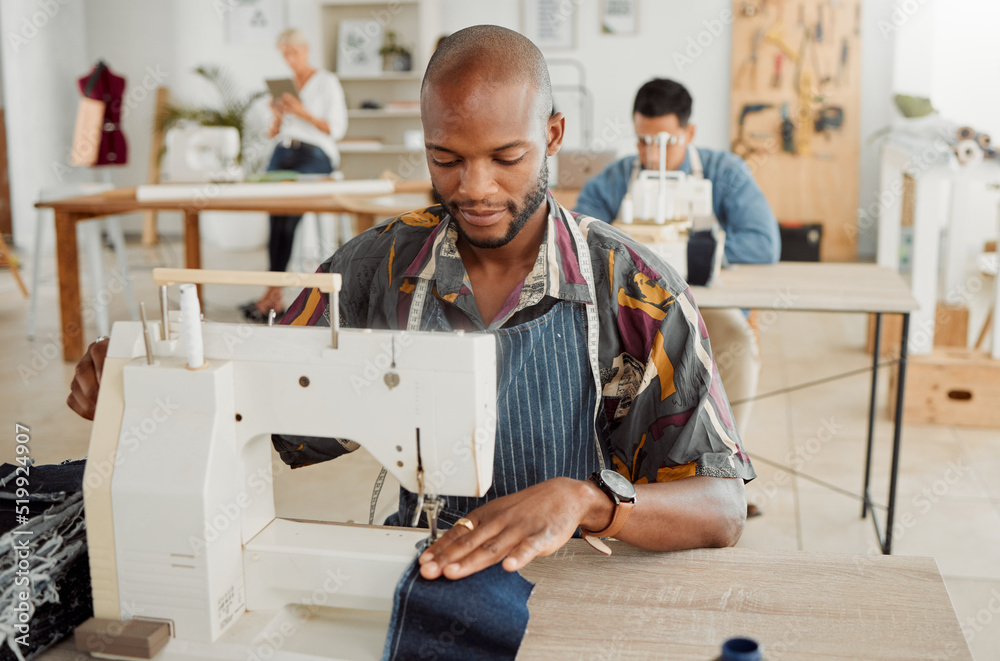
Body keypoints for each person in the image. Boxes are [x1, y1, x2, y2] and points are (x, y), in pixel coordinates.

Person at [69, 26, 753, 581]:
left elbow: (722, 507)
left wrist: (586, 501)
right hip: (430, 568)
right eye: (446, 157)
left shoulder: (632, 287)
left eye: (506, 156)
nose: (475, 188)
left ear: (551, 135)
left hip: (580, 580)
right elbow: (265, 403)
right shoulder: (382, 267)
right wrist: (152, 381)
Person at [574, 78, 780, 441]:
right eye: (643, 141)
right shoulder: (615, 180)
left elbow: (762, 243)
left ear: (689, 132)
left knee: (738, 343)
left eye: (664, 142)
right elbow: (576, 240)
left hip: (708, 308)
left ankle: (727, 461)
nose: (652, 155)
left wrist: (691, 255)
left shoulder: (724, 173)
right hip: (635, 308)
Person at [241, 27, 349, 323]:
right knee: (275, 216)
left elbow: (336, 129)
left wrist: (301, 112)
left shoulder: (326, 82)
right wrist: (278, 114)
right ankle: (273, 293)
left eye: (294, 53)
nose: (290, 59)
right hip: (282, 151)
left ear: (306, 50)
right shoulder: (284, 86)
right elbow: (272, 134)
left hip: (314, 153)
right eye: (284, 54)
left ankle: (273, 294)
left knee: (288, 214)